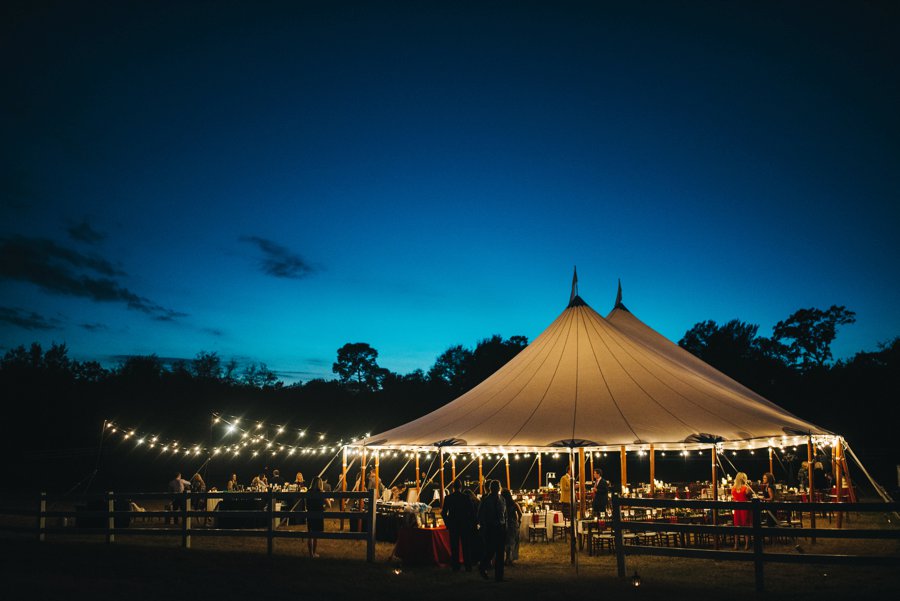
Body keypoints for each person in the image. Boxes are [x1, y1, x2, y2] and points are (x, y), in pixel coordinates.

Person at [442, 479, 477, 572]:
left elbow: (443, 513)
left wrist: (447, 523)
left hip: (453, 525)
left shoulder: (448, 498)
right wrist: (470, 522)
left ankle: (455, 566)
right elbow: (472, 511)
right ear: (461, 487)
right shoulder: (466, 497)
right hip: (465, 524)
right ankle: (468, 566)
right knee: (466, 546)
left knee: (454, 547)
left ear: (453, 487)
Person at [477, 480, 507, 582]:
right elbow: (480, 515)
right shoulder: (486, 500)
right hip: (491, 528)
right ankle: (482, 567)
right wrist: (484, 526)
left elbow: (504, 514)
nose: (497, 489)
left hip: (500, 528)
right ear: (491, 488)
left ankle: (499, 576)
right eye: (495, 487)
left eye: (498, 487)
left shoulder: (502, 499)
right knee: (490, 551)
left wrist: (505, 526)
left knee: (500, 553)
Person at [306, 476, 330, 557]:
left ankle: (310, 554)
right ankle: (314, 553)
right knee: (315, 535)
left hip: (310, 513)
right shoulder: (321, 492)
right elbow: (329, 505)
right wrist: (324, 508)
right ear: (320, 483)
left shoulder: (308, 492)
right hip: (318, 514)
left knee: (310, 533)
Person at [501, 488, 522, 566]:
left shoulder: (501, 504)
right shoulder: (514, 504)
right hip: (512, 524)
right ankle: (509, 559)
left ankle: (506, 558)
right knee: (512, 541)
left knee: (505, 541)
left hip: (504, 524)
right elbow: (520, 514)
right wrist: (519, 521)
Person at [731, 472, 752, 550]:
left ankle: (736, 544)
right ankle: (747, 544)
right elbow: (750, 496)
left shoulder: (733, 488)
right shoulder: (746, 488)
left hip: (737, 510)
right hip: (745, 509)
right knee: (746, 526)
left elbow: (734, 497)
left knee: (737, 526)